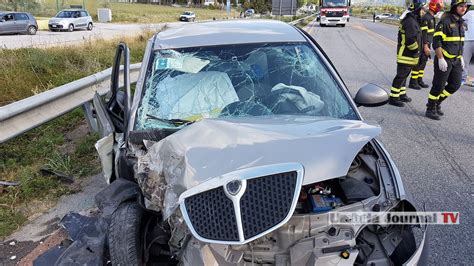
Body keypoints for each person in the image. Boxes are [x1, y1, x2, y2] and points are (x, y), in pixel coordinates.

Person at [425, 0, 471, 120]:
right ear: (455, 7)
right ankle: (430, 108)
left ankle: (437, 102)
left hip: (456, 60)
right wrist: (440, 58)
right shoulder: (445, 22)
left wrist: (460, 57)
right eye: (461, 6)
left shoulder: (460, 23)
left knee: (455, 84)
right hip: (444, 59)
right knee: (438, 85)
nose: (464, 8)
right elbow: (437, 41)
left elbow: (459, 43)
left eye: (466, 6)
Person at [388, 0, 426, 107]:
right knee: (401, 76)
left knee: (404, 76)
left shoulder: (412, 20)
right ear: (417, 9)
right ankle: (394, 97)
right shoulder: (410, 22)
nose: (424, 12)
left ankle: (401, 94)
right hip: (406, 55)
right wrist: (416, 51)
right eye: (423, 9)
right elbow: (410, 40)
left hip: (408, 55)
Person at [409, 0, 444, 90]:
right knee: (419, 63)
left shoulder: (431, 17)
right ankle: (413, 81)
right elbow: (424, 33)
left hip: (428, 43)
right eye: (438, 7)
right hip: (423, 43)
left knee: (423, 63)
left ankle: (419, 80)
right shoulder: (426, 17)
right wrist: (425, 45)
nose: (439, 9)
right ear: (434, 6)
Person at [462, 8, 474, 86]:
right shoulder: (470, 13)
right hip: (468, 39)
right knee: (465, 60)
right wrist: (464, 28)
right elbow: (460, 20)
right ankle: (463, 79)